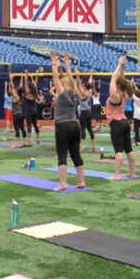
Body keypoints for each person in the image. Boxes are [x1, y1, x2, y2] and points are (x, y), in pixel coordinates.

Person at [49, 51, 85, 190]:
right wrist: (66, 63)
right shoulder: (75, 93)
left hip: (63, 126)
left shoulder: (62, 95)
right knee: (76, 154)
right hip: (75, 126)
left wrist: (54, 63)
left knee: (62, 155)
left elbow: (56, 79)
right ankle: (81, 181)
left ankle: (63, 183)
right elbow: (70, 78)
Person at [106, 56, 137, 180]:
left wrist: (119, 64)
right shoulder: (125, 94)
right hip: (124, 122)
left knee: (119, 150)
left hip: (117, 124)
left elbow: (114, 78)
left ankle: (117, 175)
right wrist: (123, 66)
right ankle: (132, 173)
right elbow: (122, 79)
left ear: (118, 85)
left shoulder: (115, 95)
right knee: (129, 149)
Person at [75, 70, 96, 151]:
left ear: (85, 87)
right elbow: (89, 83)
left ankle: (82, 146)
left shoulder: (84, 94)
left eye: (84, 85)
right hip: (88, 113)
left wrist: (77, 76)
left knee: (82, 129)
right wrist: (91, 74)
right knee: (90, 129)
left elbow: (79, 85)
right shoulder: (89, 92)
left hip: (84, 113)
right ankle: (93, 146)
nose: (82, 86)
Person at [24, 68, 42, 144]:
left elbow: (26, 83)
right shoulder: (34, 93)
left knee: (29, 124)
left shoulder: (28, 93)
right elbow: (35, 84)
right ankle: (38, 139)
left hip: (29, 110)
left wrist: (26, 75)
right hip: (34, 110)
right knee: (35, 124)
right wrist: (36, 75)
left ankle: (29, 139)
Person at [9, 75, 27, 147]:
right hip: (21, 114)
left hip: (16, 115)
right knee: (22, 128)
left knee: (17, 129)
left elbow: (12, 87)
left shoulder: (16, 97)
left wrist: (10, 78)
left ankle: (16, 143)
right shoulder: (21, 96)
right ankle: (25, 142)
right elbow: (20, 87)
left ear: (17, 91)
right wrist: (22, 78)